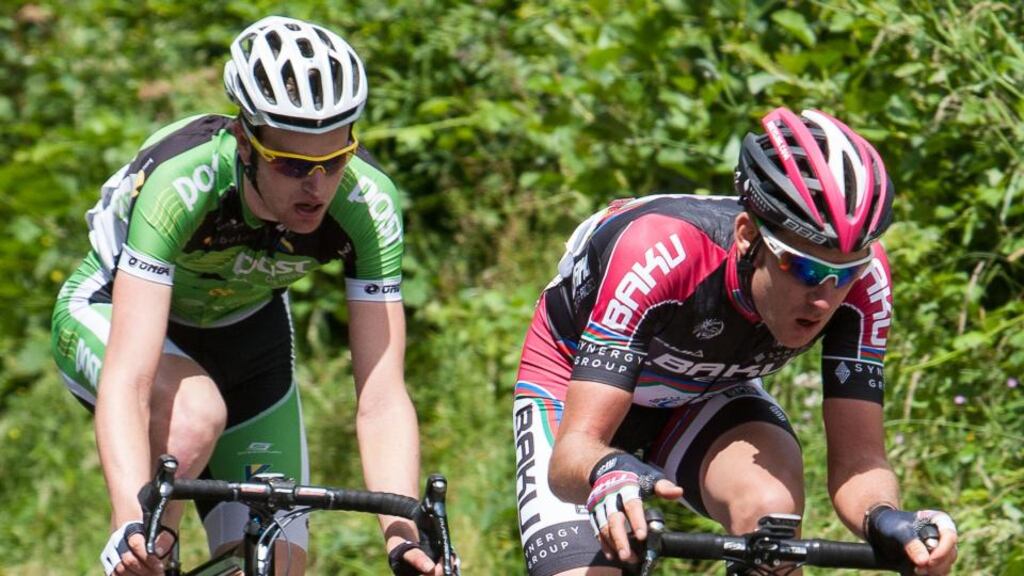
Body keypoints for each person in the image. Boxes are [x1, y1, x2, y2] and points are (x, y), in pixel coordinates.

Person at [51, 16, 440, 576]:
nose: (318, 186)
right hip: (116, 316)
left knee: (278, 562)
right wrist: (129, 528)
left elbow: (380, 397)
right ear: (244, 141)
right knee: (190, 418)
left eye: (335, 161)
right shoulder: (182, 182)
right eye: (292, 164)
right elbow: (129, 378)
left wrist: (404, 536)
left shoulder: (368, 205)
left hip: (249, 338)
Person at [512, 107, 959, 576]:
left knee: (771, 516)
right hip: (572, 383)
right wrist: (606, 471)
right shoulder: (660, 252)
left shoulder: (867, 286)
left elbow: (860, 460)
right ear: (748, 238)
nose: (825, 299)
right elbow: (572, 456)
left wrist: (887, 517)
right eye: (805, 267)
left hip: (704, 391)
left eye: (845, 273)